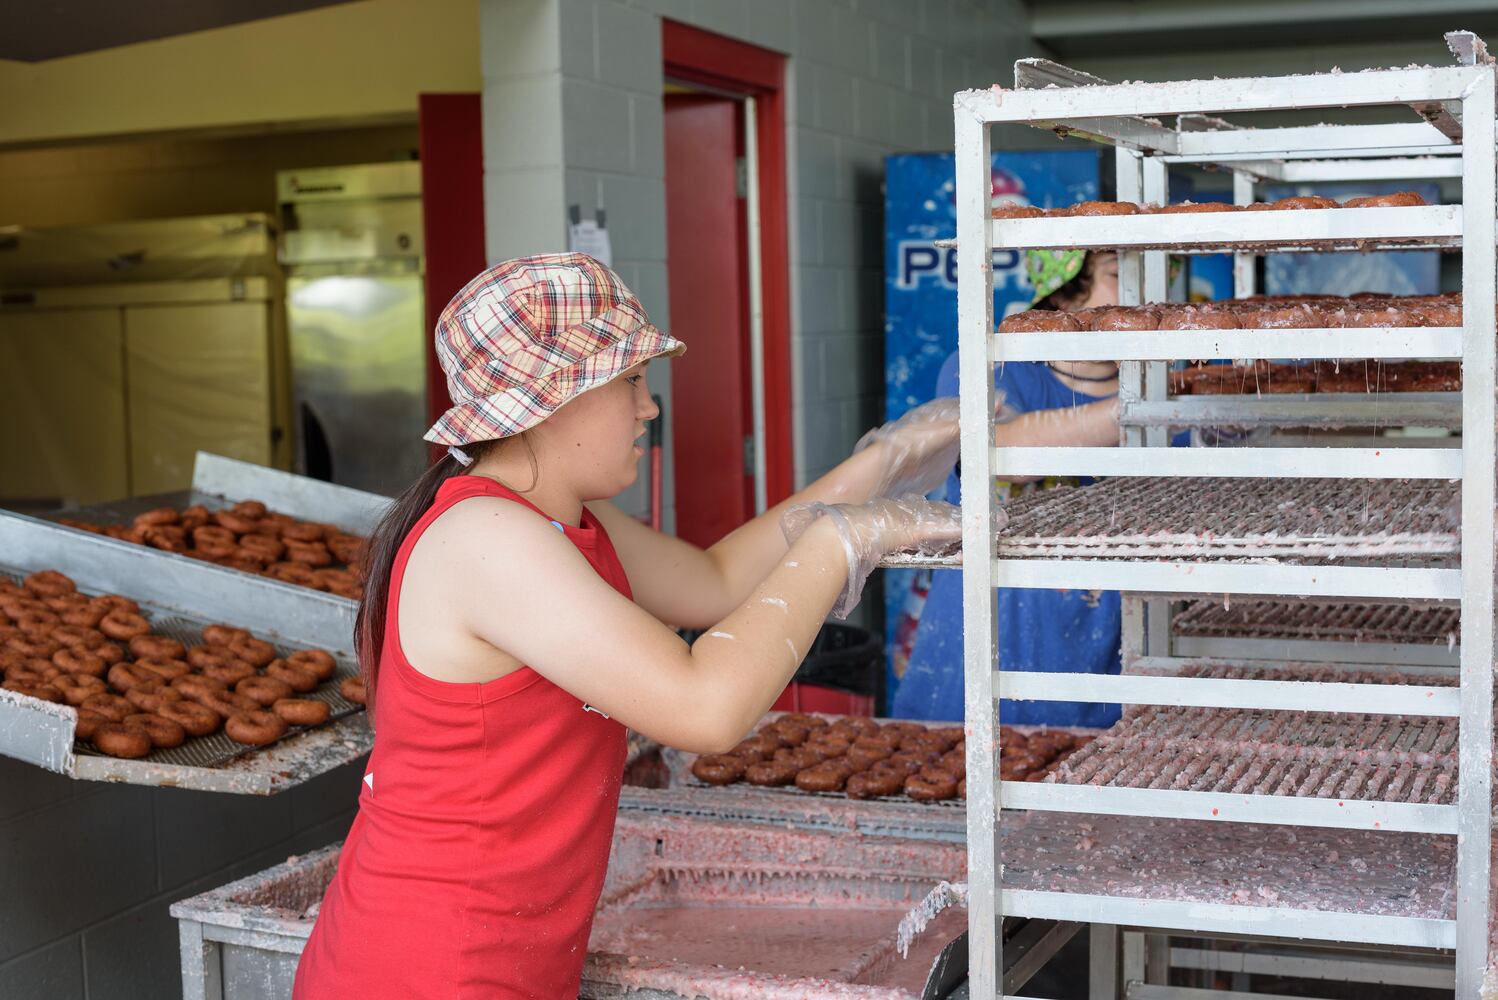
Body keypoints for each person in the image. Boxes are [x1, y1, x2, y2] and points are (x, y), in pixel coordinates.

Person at [292, 253, 959, 1000]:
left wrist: (882, 461)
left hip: (494, 959)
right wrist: (839, 544)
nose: (649, 408)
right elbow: (707, 709)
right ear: (553, 399)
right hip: (428, 969)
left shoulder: (551, 520)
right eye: (630, 382)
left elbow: (713, 583)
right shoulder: (486, 540)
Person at [892, 248, 1183, 727]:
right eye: (1118, 275)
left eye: (1156, 276)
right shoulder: (993, 368)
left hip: (1106, 648)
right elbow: (1001, 451)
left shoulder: (1167, 385)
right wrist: (1151, 406)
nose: (1144, 296)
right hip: (990, 642)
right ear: (1066, 287)